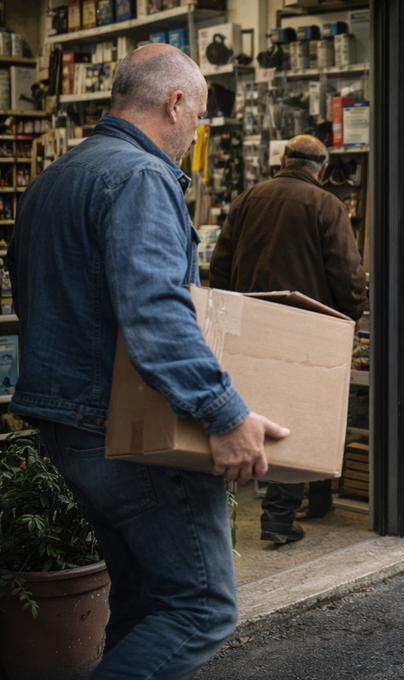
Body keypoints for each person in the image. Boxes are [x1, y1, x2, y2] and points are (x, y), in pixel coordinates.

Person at [5, 44, 288, 677]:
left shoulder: (55, 178)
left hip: (69, 428)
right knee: (200, 608)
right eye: (200, 114)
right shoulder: (140, 176)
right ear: (175, 101)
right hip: (126, 432)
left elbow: (35, 295)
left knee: (142, 600)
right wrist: (224, 413)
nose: (197, 131)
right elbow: (155, 308)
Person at [210, 134, 367, 545]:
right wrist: (346, 320)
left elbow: (220, 266)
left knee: (266, 410)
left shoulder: (247, 199)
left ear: (282, 159)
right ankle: (279, 518)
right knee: (299, 416)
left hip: (251, 322)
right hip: (307, 326)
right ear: (323, 168)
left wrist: (232, 317)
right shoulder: (327, 204)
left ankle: (317, 501)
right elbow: (348, 276)